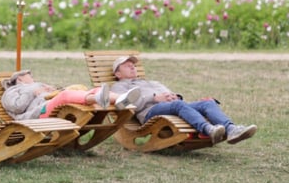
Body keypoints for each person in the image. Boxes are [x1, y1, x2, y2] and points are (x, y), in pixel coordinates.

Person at [109, 54, 257, 145]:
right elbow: (125, 105)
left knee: (207, 102)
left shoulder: (151, 82)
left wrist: (174, 96)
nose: (132, 67)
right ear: (118, 74)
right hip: (149, 112)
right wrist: (154, 98)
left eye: (133, 65)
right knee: (178, 105)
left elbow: (171, 95)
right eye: (127, 66)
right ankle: (208, 130)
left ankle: (231, 129)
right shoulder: (118, 87)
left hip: (172, 105)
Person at [0, 69, 141, 121]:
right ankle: (99, 99)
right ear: (20, 79)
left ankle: (121, 100)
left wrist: (51, 89)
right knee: (65, 95)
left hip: (48, 103)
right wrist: (33, 91)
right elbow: (17, 107)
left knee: (95, 89)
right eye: (29, 76)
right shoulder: (11, 92)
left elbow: (50, 94)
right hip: (34, 115)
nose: (32, 77)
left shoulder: (38, 86)